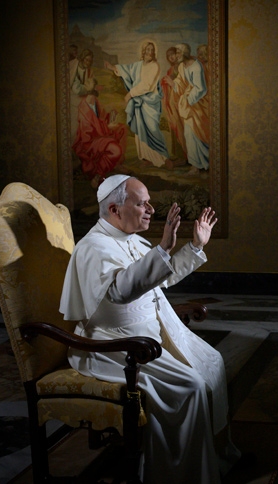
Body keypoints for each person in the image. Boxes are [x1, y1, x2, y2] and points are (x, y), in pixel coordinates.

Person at [59, 175, 243, 483]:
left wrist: (196, 244)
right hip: (116, 345)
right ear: (115, 209)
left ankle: (214, 458)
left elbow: (163, 277)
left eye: (148, 202)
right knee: (191, 387)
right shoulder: (92, 247)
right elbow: (119, 291)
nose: (150, 210)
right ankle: (180, 474)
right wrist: (162, 249)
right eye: (142, 203)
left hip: (153, 334)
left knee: (214, 363)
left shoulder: (129, 238)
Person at [106, 40, 171, 168]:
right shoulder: (138, 65)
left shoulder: (155, 66)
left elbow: (146, 85)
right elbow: (127, 70)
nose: (150, 52)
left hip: (150, 103)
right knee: (140, 131)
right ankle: (147, 158)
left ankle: (163, 158)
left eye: (152, 50)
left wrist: (130, 94)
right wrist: (113, 67)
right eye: (148, 50)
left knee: (152, 129)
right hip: (138, 103)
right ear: (143, 51)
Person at [72, 89, 128, 188]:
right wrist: (108, 127)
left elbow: (102, 117)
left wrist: (111, 115)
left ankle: (117, 163)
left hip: (101, 135)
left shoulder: (95, 103)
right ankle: (98, 175)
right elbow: (88, 133)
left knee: (122, 129)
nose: (93, 98)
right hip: (90, 142)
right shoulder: (83, 109)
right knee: (115, 150)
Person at [175, 43, 210, 174]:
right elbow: (180, 82)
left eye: (178, 52)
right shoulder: (181, 66)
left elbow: (201, 88)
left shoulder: (196, 66)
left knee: (195, 132)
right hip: (188, 105)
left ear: (184, 53)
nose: (176, 55)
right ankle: (195, 164)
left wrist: (189, 100)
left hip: (197, 104)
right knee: (189, 133)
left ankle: (201, 163)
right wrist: (172, 84)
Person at [160, 46, 187, 162]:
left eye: (173, 54)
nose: (171, 57)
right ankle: (177, 154)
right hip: (172, 103)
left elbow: (183, 86)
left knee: (182, 128)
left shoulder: (182, 67)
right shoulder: (171, 70)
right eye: (169, 55)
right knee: (174, 128)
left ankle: (185, 156)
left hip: (181, 103)